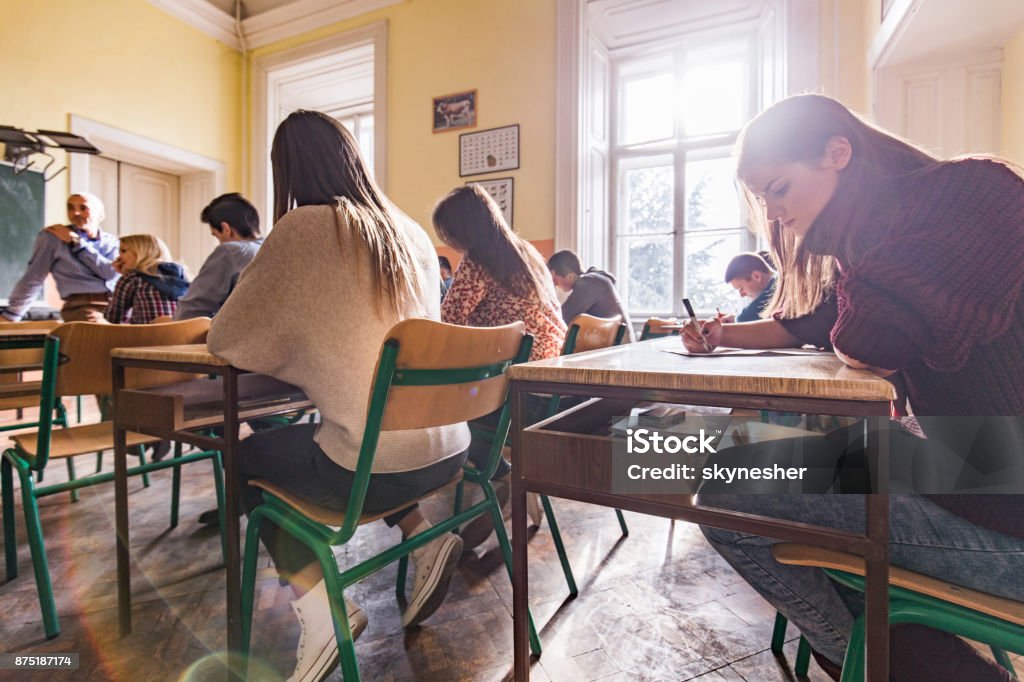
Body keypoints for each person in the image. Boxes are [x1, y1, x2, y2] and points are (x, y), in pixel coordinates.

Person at [687, 94, 1024, 681]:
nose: (773, 214)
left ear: (837, 153)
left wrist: (841, 245)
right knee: (731, 458)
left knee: (722, 493)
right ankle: (909, 663)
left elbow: (871, 336)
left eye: (780, 188)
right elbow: (824, 325)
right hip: (977, 470)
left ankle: (882, 669)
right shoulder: (900, 228)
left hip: (1006, 509)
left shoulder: (972, 192)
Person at [206, 110, 470, 682]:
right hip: (448, 452)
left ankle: (321, 612)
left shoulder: (303, 227)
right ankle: (424, 539)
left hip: (373, 467)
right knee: (351, 431)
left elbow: (227, 339)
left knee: (247, 456)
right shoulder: (409, 232)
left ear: (288, 170)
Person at [433, 184, 567, 544]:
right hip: (549, 392)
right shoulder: (527, 253)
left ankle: (502, 476)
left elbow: (448, 322)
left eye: (449, 235)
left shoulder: (479, 261)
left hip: (518, 400)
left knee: (438, 414)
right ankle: (508, 478)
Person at [2, 192, 119, 322]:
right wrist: (12, 314)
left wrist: (77, 243)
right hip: (83, 307)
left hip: (117, 305)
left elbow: (110, 273)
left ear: (101, 214)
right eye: (70, 208)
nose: (75, 213)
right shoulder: (53, 237)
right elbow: (35, 275)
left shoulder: (112, 242)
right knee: (100, 336)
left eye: (83, 208)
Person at [173, 193, 263, 320]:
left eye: (216, 235)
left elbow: (190, 312)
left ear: (226, 229)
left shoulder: (231, 251)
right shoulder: (275, 250)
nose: (219, 241)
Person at [547, 249, 635, 342]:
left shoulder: (588, 283)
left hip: (617, 348)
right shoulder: (595, 280)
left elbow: (561, 319)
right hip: (617, 345)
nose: (554, 284)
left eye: (555, 280)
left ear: (570, 276)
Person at [103, 235, 189, 324]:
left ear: (141, 252)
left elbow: (112, 318)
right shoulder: (181, 275)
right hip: (180, 334)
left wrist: (124, 276)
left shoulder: (132, 278)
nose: (119, 257)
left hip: (148, 335)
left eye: (123, 251)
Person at [723, 251, 776, 322]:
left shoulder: (777, 287)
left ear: (756, 276)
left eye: (741, 288)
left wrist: (737, 319)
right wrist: (735, 318)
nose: (742, 295)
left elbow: (744, 319)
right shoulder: (778, 280)